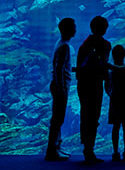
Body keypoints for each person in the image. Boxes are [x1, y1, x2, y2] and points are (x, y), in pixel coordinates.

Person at [76, 16, 111, 163]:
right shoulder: (104, 44)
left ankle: (87, 148)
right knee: (93, 115)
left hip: (83, 84)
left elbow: (79, 67)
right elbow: (104, 65)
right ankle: (89, 150)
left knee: (86, 115)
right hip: (94, 84)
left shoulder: (84, 44)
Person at [45, 17, 76, 161]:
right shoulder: (64, 46)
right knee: (58, 119)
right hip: (60, 87)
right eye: (74, 26)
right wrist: (61, 88)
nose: (76, 29)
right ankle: (51, 150)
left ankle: (57, 146)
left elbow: (63, 66)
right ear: (68, 29)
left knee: (58, 118)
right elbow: (58, 68)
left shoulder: (61, 43)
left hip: (58, 85)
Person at [105, 45, 125, 162]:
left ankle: (115, 151)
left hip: (115, 100)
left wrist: (111, 94)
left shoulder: (110, 70)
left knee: (116, 127)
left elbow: (106, 87)